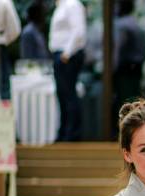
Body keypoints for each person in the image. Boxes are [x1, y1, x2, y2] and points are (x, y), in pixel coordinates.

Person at [49, 0, 86, 141]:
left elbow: (78, 31)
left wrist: (67, 53)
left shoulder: (72, 4)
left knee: (68, 94)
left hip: (68, 55)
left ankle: (72, 134)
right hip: (62, 54)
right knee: (63, 95)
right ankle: (65, 131)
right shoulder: (61, 6)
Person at [112, 0, 145, 123]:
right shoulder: (136, 23)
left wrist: (112, 68)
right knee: (134, 100)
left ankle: (125, 129)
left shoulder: (122, 25)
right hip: (136, 68)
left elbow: (118, 48)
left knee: (125, 102)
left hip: (125, 68)